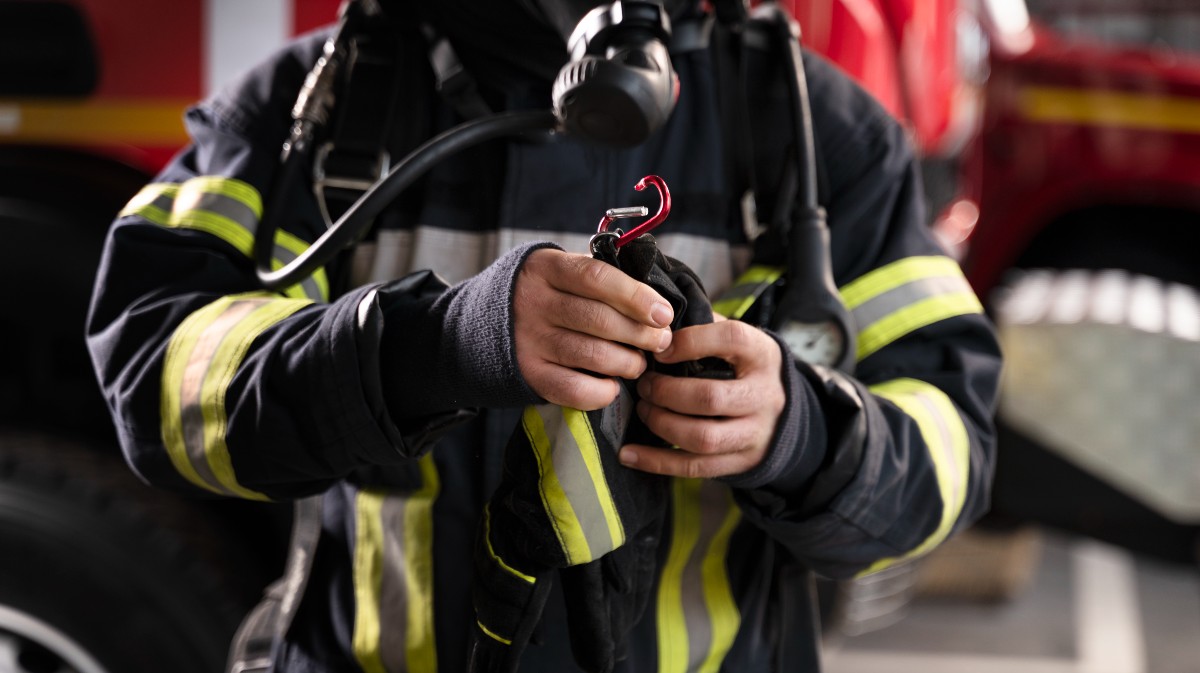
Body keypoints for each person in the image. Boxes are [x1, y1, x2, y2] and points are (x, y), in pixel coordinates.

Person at [85, 0, 1002, 671]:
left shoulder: (818, 136)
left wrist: (799, 432)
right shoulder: (311, 111)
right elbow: (158, 374)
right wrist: (435, 346)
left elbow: (953, 440)